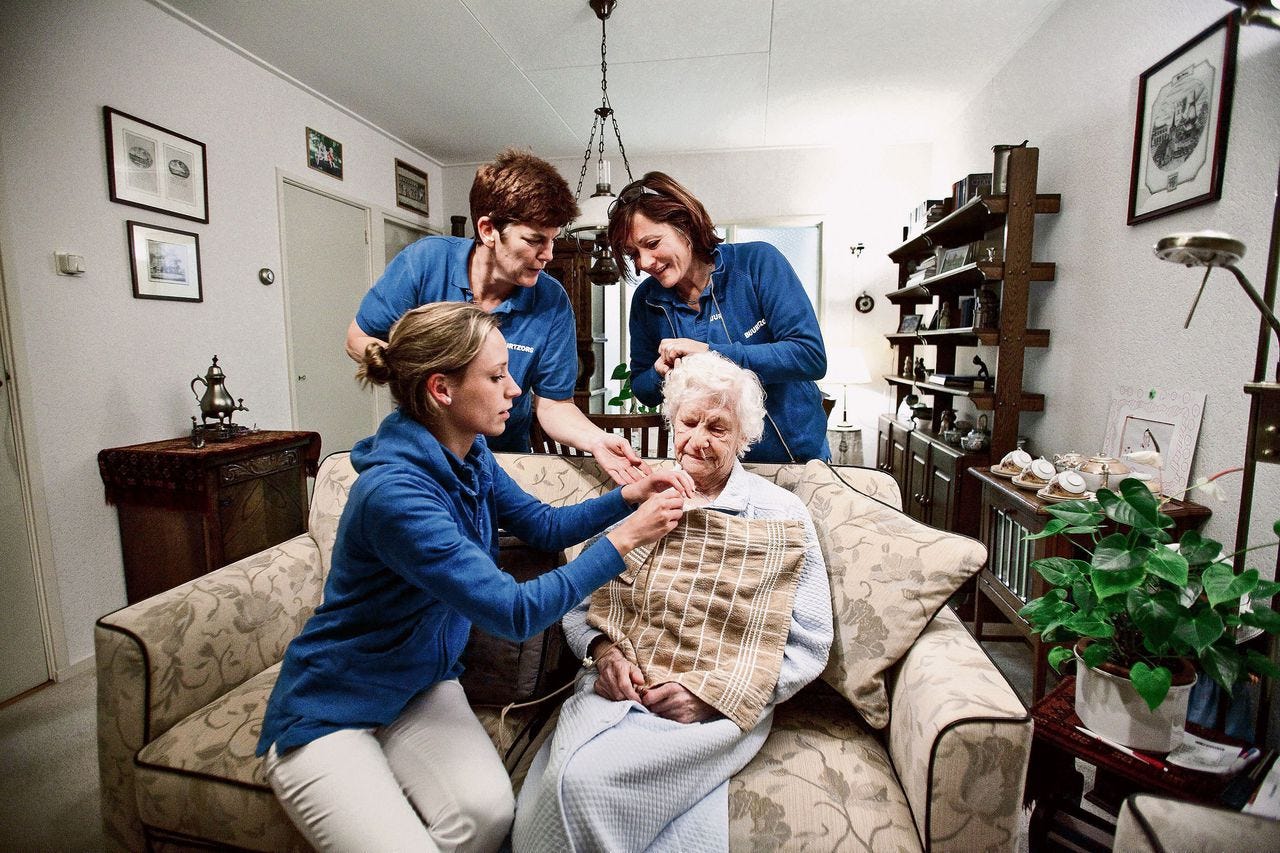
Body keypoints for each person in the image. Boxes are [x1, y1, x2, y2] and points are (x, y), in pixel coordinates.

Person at [259, 302, 694, 852]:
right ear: (442, 389)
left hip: (421, 682)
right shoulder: (396, 496)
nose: (515, 389)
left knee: (487, 817)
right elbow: (513, 612)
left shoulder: (471, 454)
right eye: (496, 376)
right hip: (334, 701)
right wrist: (627, 537)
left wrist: (627, 496)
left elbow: (543, 526)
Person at [513, 351, 833, 852]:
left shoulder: (779, 514)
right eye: (688, 423)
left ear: (743, 437)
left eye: (718, 428)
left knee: (587, 785)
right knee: (562, 781)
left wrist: (712, 695)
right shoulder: (642, 495)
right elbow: (579, 606)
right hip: (616, 691)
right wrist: (603, 654)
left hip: (713, 711)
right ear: (671, 423)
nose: (698, 440)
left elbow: (810, 642)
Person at [346, 147, 647, 484]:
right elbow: (358, 338)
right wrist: (423, 375)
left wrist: (597, 440)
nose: (548, 254)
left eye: (552, 240)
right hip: (421, 455)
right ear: (488, 229)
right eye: (534, 240)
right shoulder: (425, 263)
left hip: (504, 459)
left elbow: (553, 405)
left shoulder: (551, 301)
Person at [606, 171, 831, 463]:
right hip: (713, 468)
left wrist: (711, 354)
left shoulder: (758, 263)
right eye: (633, 254)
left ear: (685, 225)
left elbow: (809, 356)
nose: (644, 262)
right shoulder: (646, 301)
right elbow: (643, 390)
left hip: (795, 459)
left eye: (652, 243)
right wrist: (659, 372)